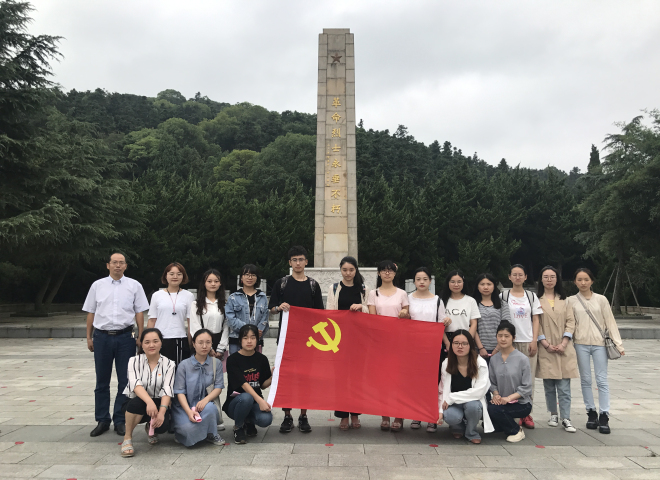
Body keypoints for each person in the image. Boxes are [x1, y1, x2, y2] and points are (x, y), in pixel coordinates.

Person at [83, 252, 149, 437]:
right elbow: (91, 312)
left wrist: (140, 336)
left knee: (125, 381)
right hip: (102, 337)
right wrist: (89, 337)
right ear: (108, 265)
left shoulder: (134, 285)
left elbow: (139, 312)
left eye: (121, 263)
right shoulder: (97, 285)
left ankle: (120, 419)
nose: (118, 265)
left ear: (126, 266)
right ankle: (102, 420)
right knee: (101, 381)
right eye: (114, 262)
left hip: (125, 337)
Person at [268, 245, 324, 434]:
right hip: (286, 339)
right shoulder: (281, 283)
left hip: (308, 340)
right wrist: (279, 308)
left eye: (301, 259)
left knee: (305, 378)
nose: (298, 263)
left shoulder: (313, 285)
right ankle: (287, 415)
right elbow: (271, 308)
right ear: (289, 262)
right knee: (287, 377)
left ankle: (303, 415)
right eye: (294, 260)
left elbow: (320, 313)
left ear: (306, 262)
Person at [569, 268, 625, 434]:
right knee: (586, 379)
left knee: (602, 380)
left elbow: (610, 322)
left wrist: (618, 344)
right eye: (579, 279)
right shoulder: (571, 301)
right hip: (580, 344)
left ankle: (604, 414)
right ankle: (591, 412)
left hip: (600, 343)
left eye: (586, 279)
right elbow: (570, 324)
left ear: (592, 281)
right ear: (575, 282)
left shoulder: (601, 299)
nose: (583, 283)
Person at [326, 256, 370, 430]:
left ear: (356, 270)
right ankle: (343, 415)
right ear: (340, 270)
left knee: (357, 378)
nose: (348, 273)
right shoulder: (334, 288)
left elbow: (370, 312)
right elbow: (329, 313)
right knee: (341, 378)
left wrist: (361, 307)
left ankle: (355, 414)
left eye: (351, 270)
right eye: (344, 270)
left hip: (359, 339)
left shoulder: (364, 289)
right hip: (339, 340)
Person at [367, 260, 410, 432]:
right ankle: (385, 415)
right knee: (383, 381)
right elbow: (372, 318)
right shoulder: (373, 293)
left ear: (394, 273)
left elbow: (408, 316)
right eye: (384, 270)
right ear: (378, 273)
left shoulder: (402, 293)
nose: (387, 273)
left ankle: (399, 415)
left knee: (399, 380)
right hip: (380, 343)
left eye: (390, 270)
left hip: (399, 342)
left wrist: (404, 313)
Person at [407, 267, 451, 433]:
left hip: (432, 347)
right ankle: (416, 415)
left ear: (430, 281)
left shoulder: (437, 300)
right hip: (413, 348)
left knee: (433, 382)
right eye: (418, 279)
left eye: (425, 279)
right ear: (414, 281)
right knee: (416, 383)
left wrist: (447, 342)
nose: (422, 282)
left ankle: (432, 416)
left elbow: (440, 324)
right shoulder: (408, 299)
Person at [120, 328, 175, 457]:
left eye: (155, 341)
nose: (151, 345)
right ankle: (127, 437)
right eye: (147, 342)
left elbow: (167, 389)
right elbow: (135, 384)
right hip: (136, 401)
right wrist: (149, 402)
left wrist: (161, 412)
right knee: (137, 404)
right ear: (142, 344)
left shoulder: (169, 364)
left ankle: (150, 427)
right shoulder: (134, 361)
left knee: (163, 426)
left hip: (159, 401)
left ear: (161, 342)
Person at [536, 266, 578, 433]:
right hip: (546, 346)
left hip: (563, 347)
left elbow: (571, 322)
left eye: (552, 277)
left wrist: (564, 342)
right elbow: (536, 323)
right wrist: (544, 343)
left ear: (557, 279)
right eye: (546, 277)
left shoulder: (565, 300)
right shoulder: (536, 300)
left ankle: (566, 417)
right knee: (549, 384)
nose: (549, 280)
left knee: (564, 386)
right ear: (541, 279)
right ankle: (553, 414)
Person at [500, 264, 541, 429]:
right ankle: (511, 411)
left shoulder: (531, 296)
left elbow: (536, 319)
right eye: (514, 274)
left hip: (527, 340)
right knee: (509, 378)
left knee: (528, 379)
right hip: (509, 342)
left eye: (520, 274)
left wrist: (534, 340)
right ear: (509, 277)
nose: (517, 277)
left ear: (525, 277)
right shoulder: (503, 296)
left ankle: (526, 412)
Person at [189, 268, 229, 431]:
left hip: (219, 344)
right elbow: (194, 326)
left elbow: (227, 326)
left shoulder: (224, 303)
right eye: (209, 281)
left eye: (216, 281)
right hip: (201, 343)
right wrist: (208, 346)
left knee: (214, 382)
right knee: (199, 381)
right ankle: (196, 412)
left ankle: (216, 417)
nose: (213, 284)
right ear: (204, 283)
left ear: (220, 284)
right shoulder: (196, 304)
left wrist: (220, 348)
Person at [438, 329, 493, 444]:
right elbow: (442, 389)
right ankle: (457, 427)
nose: (460, 346)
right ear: (451, 345)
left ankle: (471, 432)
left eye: (464, 343)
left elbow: (479, 392)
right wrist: (440, 411)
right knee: (450, 416)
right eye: (456, 343)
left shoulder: (480, 363)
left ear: (470, 345)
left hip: (472, 401)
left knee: (474, 407)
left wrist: (452, 397)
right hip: (454, 403)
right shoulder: (446, 363)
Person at [172, 329, 225, 446]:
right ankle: (189, 431)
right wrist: (188, 411)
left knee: (211, 408)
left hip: (204, 406)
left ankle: (211, 433)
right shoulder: (184, 365)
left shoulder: (216, 363)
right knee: (187, 429)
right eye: (200, 342)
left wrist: (205, 400)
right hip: (184, 406)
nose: (204, 346)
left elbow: (218, 387)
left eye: (208, 342)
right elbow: (179, 392)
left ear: (212, 344)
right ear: (194, 344)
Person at [223, 325, 273, 444]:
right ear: (240, 340)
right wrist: (260, 401)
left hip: (254, 402)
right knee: (246, 397)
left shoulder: (262, 359)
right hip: (236, 403)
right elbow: (243, 384)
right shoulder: (232, 359)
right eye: (245, 338)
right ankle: (238, 427)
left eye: (253, 337)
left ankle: (248, 422)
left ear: (257, 340)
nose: (249, 341)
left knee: (266, 419)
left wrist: (273, 377)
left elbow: (262, 385)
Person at [487, 321, 533, 443]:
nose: (503, 339)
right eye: (500, 335)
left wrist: (508, 398)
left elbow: (527, 387)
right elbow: (492, 382)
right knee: (488, 410)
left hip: (521, 403)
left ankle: (516, 430)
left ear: (513, 338)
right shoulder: (494, 359)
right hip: (501, 402)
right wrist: (496, 395)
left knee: (495, 411)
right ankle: (503, 424)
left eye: (506, 336)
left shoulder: (522, 359)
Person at [147, 262, 195, 366]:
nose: (175, 277)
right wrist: (147, 340)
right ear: (166, 276)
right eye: (171, 274)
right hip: (159, 339)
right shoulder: (157, 295)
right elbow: (152, 320)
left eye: (179, 274)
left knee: (178, 370)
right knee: (159, 369)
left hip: (179, 338)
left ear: (183, 276)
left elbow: (191, 321)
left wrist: (191, 343)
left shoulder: (188, 296)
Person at [226, 264, 269, 356]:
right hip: (237, 339)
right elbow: (230, 319)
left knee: (255, 364)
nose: (250, 278)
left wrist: (256, 332)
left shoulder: (262, 297)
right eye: (247, 275)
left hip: (255, 340)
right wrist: (249, 330)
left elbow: (265, 318)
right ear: (241, 277)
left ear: (257, 278)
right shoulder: (233, 297)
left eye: (253, 275)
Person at [441, 270, 480, 366]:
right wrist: (447, 343)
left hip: (466, 336)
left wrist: (467, 340)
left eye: (459, 282)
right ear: (448, 283)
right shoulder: (441, 301)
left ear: (463, 283)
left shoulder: (470, 301)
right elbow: (438, 324)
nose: (456, 285)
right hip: (447, 338)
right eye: (452, 282)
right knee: (447, 366)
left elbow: (474, 323)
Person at [473, 273, 511, 362]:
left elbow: (507, 326)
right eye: (482, 284)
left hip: (501, 348)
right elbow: (472, 327)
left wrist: (498, 348)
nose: (486, 287)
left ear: (494, 286)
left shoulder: (502, 304)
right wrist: (480, 348)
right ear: (477, 286)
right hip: (478, 350)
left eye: (489, 284)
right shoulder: (473, 304)